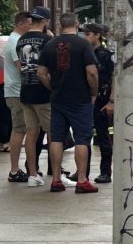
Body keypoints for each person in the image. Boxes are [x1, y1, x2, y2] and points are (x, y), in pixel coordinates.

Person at [36, 12, 99, 193]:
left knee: (56, 138)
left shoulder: (50, 45)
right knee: (82, 138)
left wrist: (52, 87)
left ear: (60, 26)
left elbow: (41, 73)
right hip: (80, 99)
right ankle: (81, 180)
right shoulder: (83, 45)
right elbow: (92, 72)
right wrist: (93, 92)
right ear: (77, 24)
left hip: (58, 99)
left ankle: (56, 180)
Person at [17, 6, 56, 187]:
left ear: (31, 20)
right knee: (52, 133)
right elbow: (51, 68)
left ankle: (32, 174)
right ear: (45, 21)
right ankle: (56, 173)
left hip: (26, 90)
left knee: (31, 133)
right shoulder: (48, 40)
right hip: (43, 91)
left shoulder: (20, 40)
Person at [83, 23, 114, 184]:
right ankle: (82, 172)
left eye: (88, 34)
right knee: (84, 137)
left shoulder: (106, 55)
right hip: (85, 99)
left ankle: (105, 172)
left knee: (103, 137)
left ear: (97, 35)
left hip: (102, 99)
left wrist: (111, 101)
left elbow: (115, 78)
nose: (85, 37)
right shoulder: (84, 53)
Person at [4, 12, 32, 181]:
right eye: (29, 24)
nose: (31, 27)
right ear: (21, 24)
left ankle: (19, 169)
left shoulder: (15, 39)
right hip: (16, 91)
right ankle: (14, 171)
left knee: (23, 129)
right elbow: (20, 67)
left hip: (16, 90)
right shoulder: (15, 42)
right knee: (19, 130)